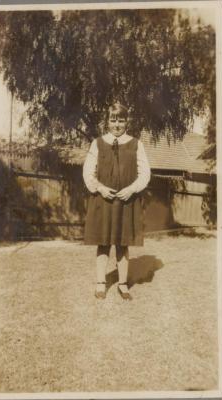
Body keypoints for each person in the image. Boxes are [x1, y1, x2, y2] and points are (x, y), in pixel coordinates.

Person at [83, 101, 151, 300]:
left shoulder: (136, 144)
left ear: (126, 121)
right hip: (103, 200)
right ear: (107, 121)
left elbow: (145, 173)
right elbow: (88, 171)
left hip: (126, 201)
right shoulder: (97, 143)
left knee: (123, 243)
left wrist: (131, 190)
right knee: (103, 242)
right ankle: (100, 283)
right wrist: (100, 188)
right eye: (113, 120)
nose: (117, 124)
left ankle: (123, 284)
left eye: (121, 120)